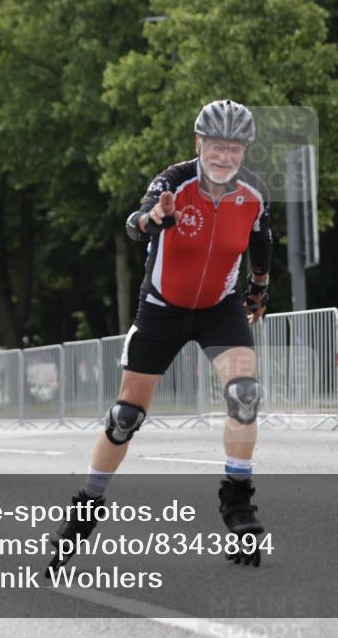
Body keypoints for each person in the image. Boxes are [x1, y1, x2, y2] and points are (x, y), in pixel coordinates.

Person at [49, 100, 272, 569]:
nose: (224, 157)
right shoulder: (173, 181)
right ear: (199, 144)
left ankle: (238, 503)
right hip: (161, 309)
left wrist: (259, 287)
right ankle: (87, 505)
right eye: (215, 146)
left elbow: (260, 238)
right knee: (126, 416)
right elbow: (135, 222)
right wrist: (156, 218)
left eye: (234, 149)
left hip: (220, 309)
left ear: (244, 151)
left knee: (245, 393)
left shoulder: (254, 192)